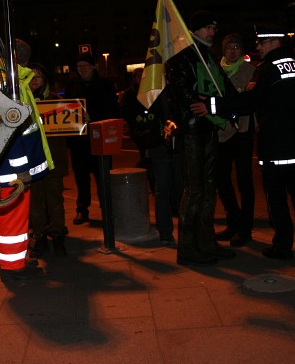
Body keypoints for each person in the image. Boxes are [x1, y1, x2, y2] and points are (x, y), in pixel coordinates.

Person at [195, 23, 295, 261]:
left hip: (277, 148)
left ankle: (282, 247)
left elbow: (248, 102)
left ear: (274, 42)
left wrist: (211, 105)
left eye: (261, 43)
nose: (258, 47)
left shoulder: (267, 70)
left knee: (277, 199)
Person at [164, 10, 237, 266]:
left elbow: (224, 90)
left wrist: (217, 104)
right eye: (207, 28)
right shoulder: (182, 58)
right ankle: (187, 248)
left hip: (209, 127)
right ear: (194, 30)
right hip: (192, 130)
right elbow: (184, 93)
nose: (212, 32)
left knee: (209, 188)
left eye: (214, 28)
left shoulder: (208, 57)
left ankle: (206, 241)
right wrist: (203, 101)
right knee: (194, 190)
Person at [0, 39, 50, 281]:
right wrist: (21, 168)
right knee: (13, 218)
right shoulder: (8, 83)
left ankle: (13, 260)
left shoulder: (4, 80)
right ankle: (13, 267)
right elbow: (8, 129)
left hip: (11, 166)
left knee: (12, 219)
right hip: (13, 169)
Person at [120, 68, 183, 246]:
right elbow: (139, 120)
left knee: (180, 188)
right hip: (158, 146)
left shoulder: (175, 89)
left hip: (178, 145)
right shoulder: (145, 94)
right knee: (162, 189)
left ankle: (185, 231)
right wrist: (147, 141)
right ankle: (165, 232)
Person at [64, 52, 120, 225]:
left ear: (93, 67)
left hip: (99, 138)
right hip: (79, 140)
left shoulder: (105, 85)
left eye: (85, 66)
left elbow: (113, 110)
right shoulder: (72, 85)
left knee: (103, 176)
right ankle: (82, 209)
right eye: (79, 67)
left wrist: (93, 116)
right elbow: (66, 109)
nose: (82, 70)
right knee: (81, 178)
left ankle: (107, 210)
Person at [214, 33, 256, 247]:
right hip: (220, 131)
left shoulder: (250, 71)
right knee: (221, 179)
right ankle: (234, 221)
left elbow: (248, 100)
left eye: (236, 47)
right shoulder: (214, 70)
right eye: (229, 47)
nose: (232, 51)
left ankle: (245, 228)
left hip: (242, 131)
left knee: (244, 180)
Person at [26, 62, 70, 257]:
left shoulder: (56, 102)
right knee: (36, 203)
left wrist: (81, 119)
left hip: (54, 159)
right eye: (30, 77)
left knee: (55, 201)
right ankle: (41, 236)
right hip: (33, 160)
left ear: (44, 80)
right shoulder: (22, 103)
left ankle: (58, 236)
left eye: (38, 77)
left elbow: (72, 124)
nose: (34, 81)